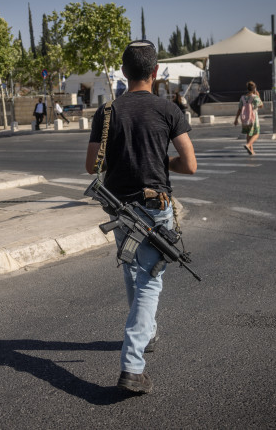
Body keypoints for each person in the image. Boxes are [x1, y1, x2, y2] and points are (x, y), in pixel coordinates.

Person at [85, 40, 197, 394]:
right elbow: (190, 165)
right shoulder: (168, 110)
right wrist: (160, 161)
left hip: (121, 210)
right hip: (154, 206)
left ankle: (146, 333)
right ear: (156, 72)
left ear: (123, 72)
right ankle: (132, 367)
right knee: (149, 283)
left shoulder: (106, 112)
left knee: (135, 273)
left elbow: (92, 165)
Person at [233, 81, 263, 155]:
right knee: (256, 133)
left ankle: (251, 150)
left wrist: (236, 119)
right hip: (253, 118)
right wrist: (258, 96)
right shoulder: (255, 97)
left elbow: (239, 109)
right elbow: (261, 105)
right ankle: (248, 145)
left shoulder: (242, 97)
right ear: (254, 89)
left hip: (245, 119)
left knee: (249, 134)